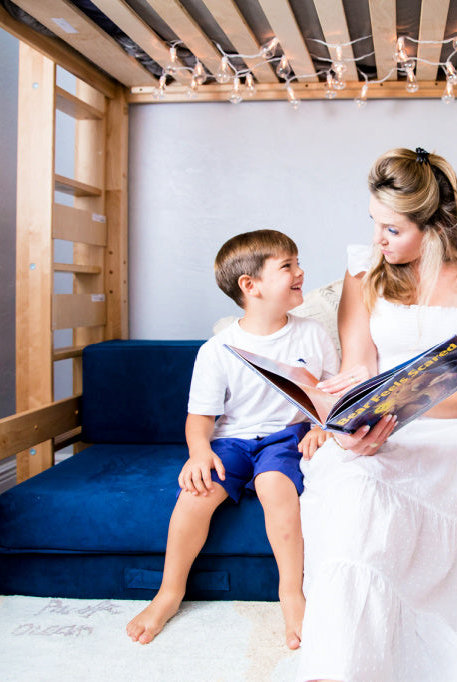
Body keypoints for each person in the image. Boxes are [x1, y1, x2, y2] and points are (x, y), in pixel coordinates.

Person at [294, 147, 457, 681]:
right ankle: (337, 666)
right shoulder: (363, 269)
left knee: (380, 482)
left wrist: (400, 408)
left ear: (434, 225)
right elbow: (358, 366)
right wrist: (354, 423)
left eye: (392, 229)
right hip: (383, 426)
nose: (378, 239)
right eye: (375, 223)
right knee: (352, 479)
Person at [125, 229, 339, 649]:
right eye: (287, 266)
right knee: (194, 496)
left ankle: (290, 594)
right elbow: (200, 418)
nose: (301, 272)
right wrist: (199, 452)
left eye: (297, 262)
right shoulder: (218, 349)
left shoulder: (312, 334)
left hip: (286, 437)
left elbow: (330, 395)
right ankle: (169, 593)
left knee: (274, 485)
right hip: (233, 440)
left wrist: (320, 428)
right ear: (250, 285)